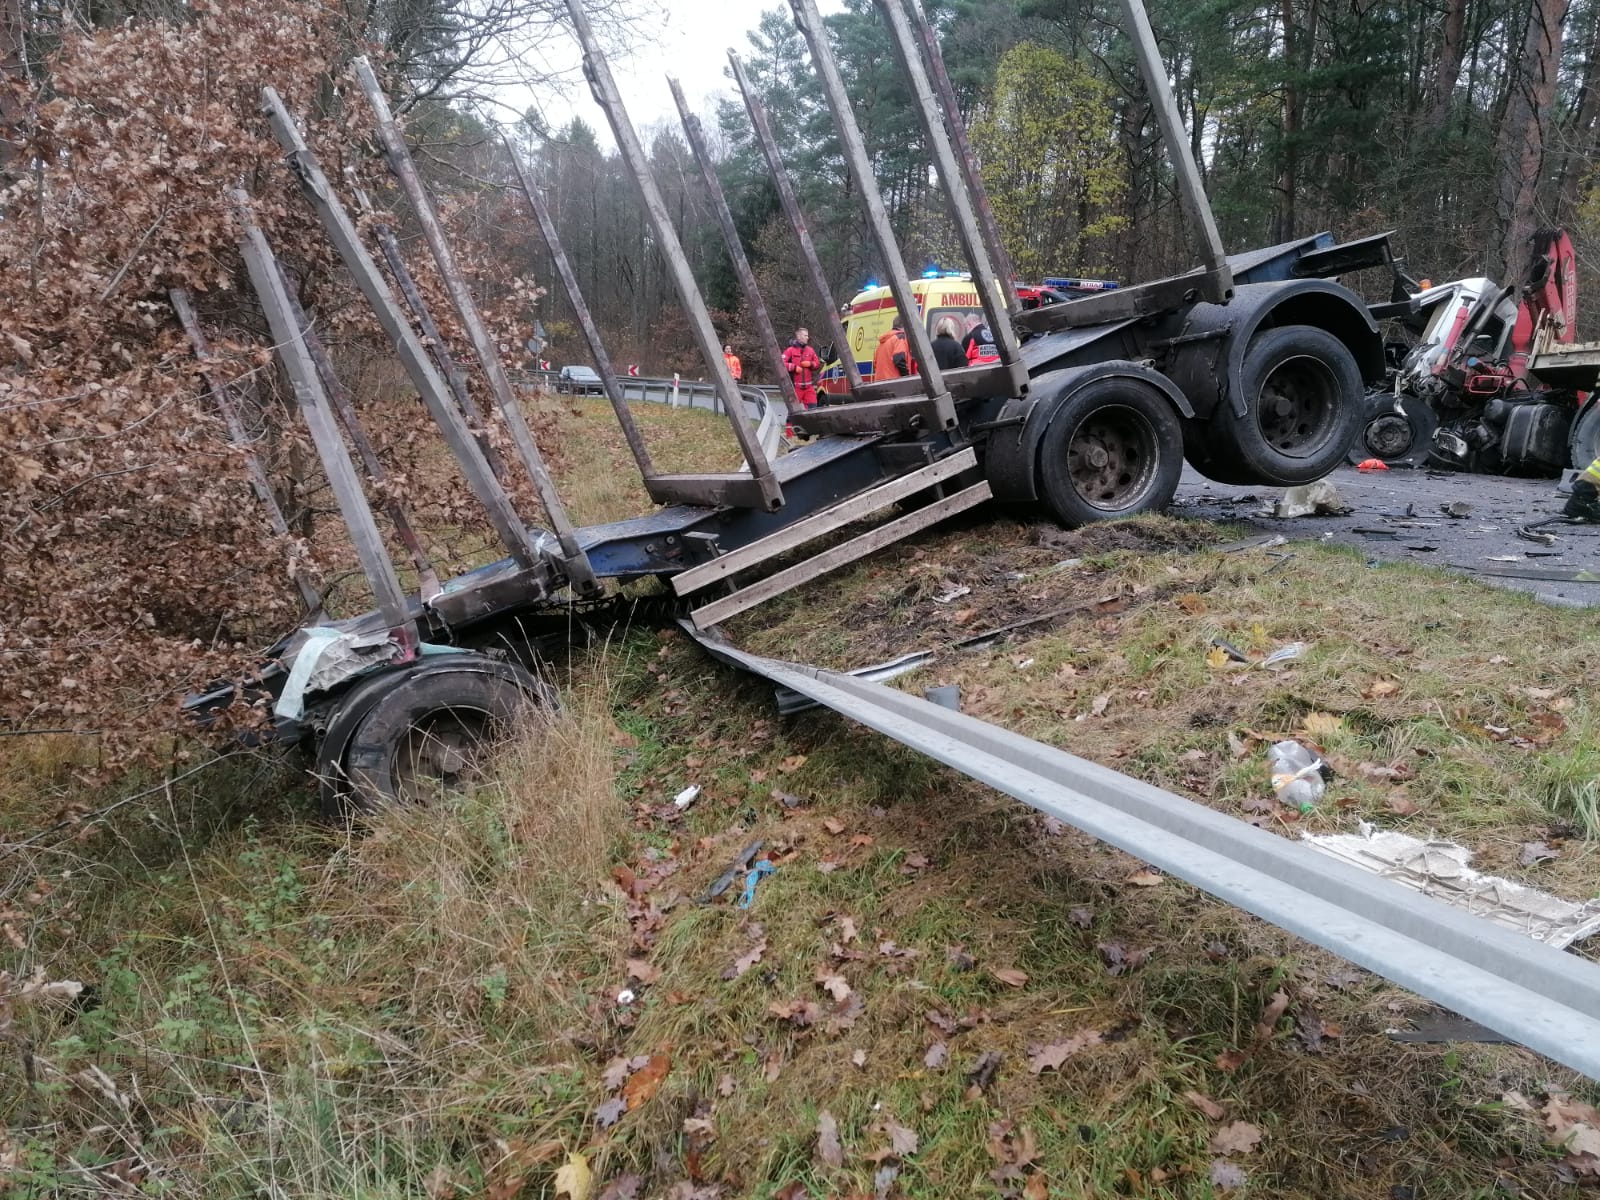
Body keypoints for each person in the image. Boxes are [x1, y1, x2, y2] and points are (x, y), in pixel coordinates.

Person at [782, 327, 822, 408]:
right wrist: (794, 367)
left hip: (809, 388)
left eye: (807, 336)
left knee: (813, 411)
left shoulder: (810, 350)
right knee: (794, 412)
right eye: (805, 335)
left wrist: (810, 364)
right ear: (799, 337)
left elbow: (817, 364)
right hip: (796, 388)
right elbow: (781, 363)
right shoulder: (790, 350)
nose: (807, 338)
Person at [872, 316, 912, 381]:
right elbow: (899, 360)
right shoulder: (899, 338)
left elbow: (875, 364)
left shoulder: (883, 342)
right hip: (894, 382)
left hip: (880, 382)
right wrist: (907, 378)